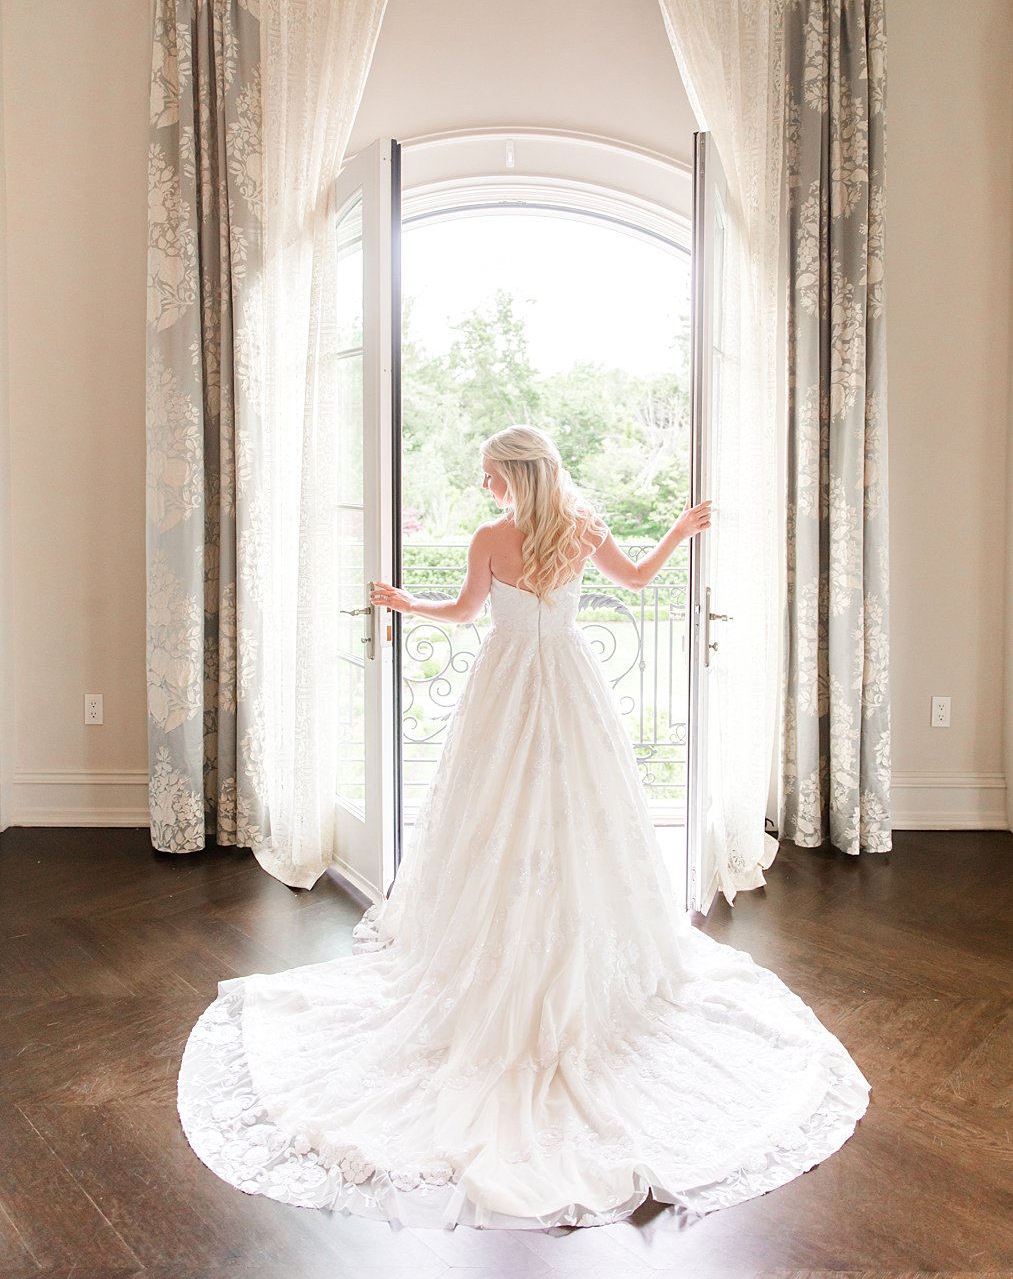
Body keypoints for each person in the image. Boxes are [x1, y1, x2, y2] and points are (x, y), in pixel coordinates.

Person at [177, 424, 869, 1230]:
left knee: (493, 815)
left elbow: (469, 613)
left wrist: (409, 604)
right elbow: (641, 582)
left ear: (512, 475)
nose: (483, 488)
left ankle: (498, 930)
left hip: (505, 686)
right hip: (571, 681)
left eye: (488, 475)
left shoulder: (490, 539)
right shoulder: (580, 528)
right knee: (580, 813)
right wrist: (677, 534)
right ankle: (568, 928)